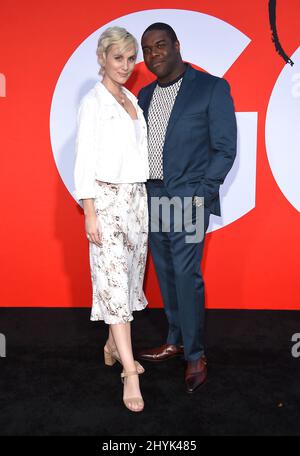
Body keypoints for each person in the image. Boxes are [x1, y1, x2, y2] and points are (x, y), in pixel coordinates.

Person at [137, 23, 237, 393]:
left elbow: (225, 147)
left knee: (186, 274)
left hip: (189, 199)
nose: (154, 54)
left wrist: (203, 192)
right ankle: (174, 339)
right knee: (166, 273)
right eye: (147, 49)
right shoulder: (145, 95)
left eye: (160, 45)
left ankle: (195, 354)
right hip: (153, 195)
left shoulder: (210, 88)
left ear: (177, 45)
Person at [74, 26, 149, 412]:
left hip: (137, 199)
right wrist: (89, 212)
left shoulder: (132, 99)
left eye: (130, 58)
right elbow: (84, 158)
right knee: (115, 284)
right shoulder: (94, 102)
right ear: (102, 58)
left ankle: (111, 346)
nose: (125, 65)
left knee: (131, 280)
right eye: (117, 57)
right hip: (105, 199)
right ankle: (130, 376)